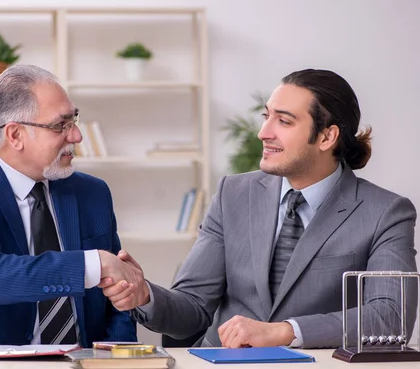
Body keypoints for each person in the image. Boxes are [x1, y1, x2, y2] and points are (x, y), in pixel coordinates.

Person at [102, 68, 418, 349]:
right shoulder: (233, 194)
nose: (264, 132)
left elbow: (391, 317)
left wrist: (284, 332)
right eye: (266, 116)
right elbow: (193, 308)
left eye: (284, 121)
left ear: (326, 136)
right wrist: (144, 295)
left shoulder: (385, 212)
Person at [0, 64, 142, 348]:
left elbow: (118, 301)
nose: (76, 137)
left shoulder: (92, 192)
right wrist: (93, 263)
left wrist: (117, 360)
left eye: (73, 120)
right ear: (15, 135)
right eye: (59, 125)